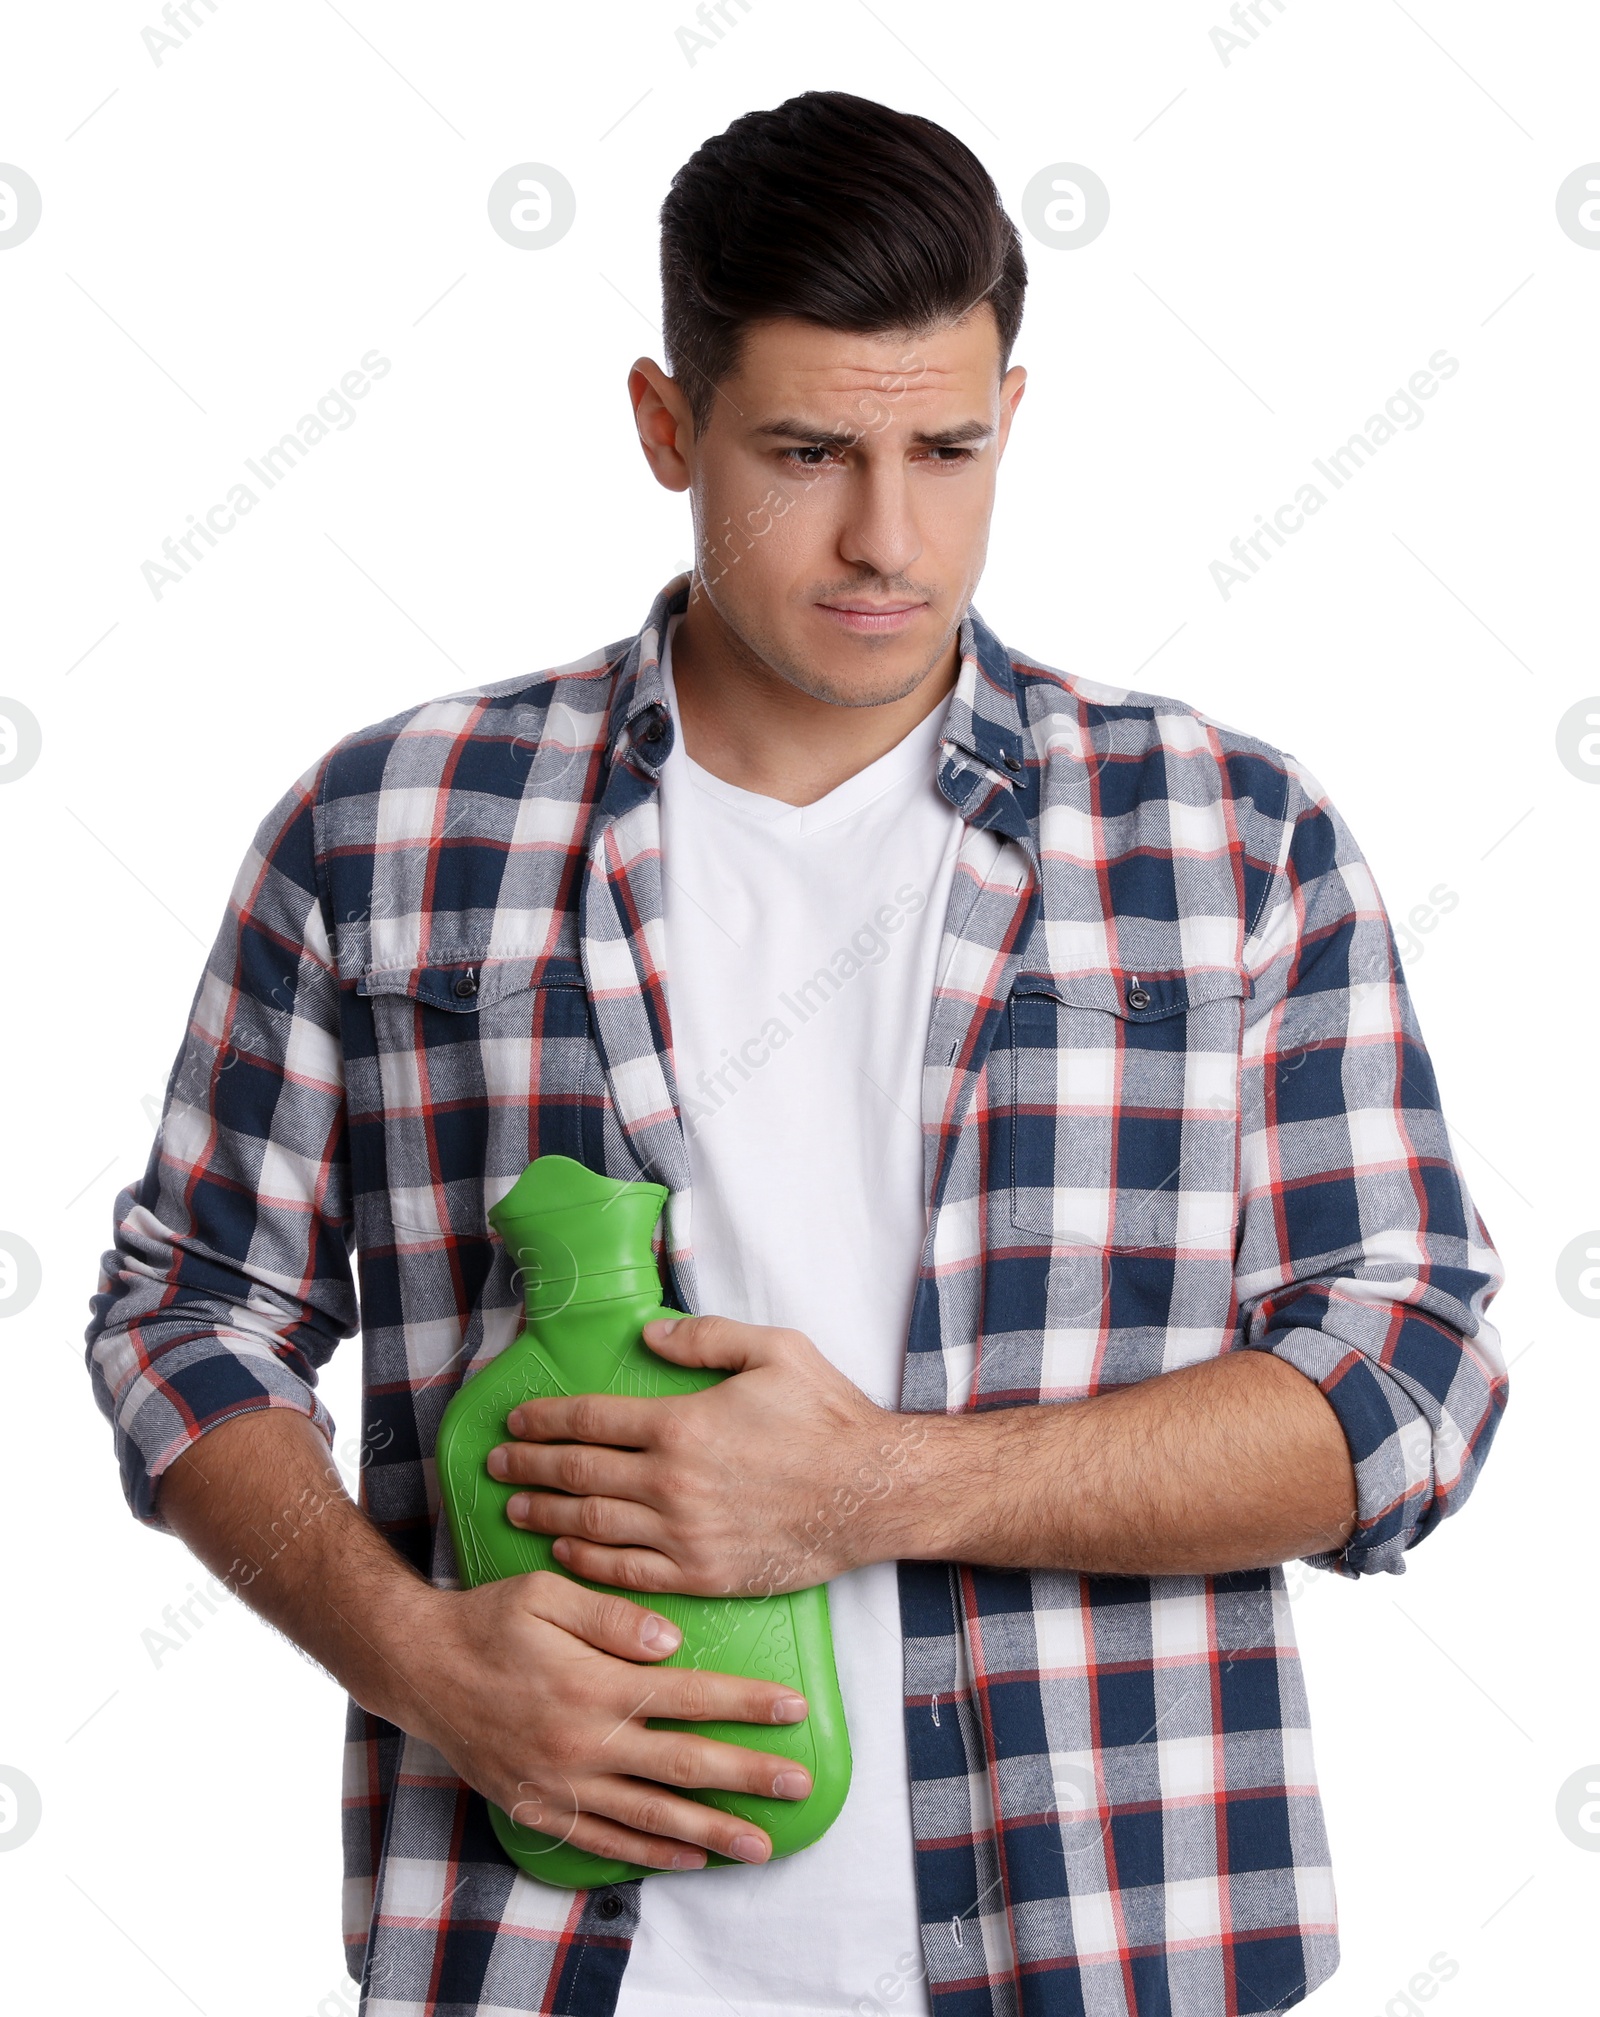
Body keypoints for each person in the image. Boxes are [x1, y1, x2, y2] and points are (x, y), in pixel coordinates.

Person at [86, 88, 1508, 2017]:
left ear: (1021, 410)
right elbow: (184, 1316)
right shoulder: (389, 825)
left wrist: (881, 1486)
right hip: (537, 1948)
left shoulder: (1226, 836)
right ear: (666, 425)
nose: (887, 536)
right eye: (807, 450)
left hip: (1112, 1938)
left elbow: (1410, 1383)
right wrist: (414, 1657)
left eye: (950, 447)